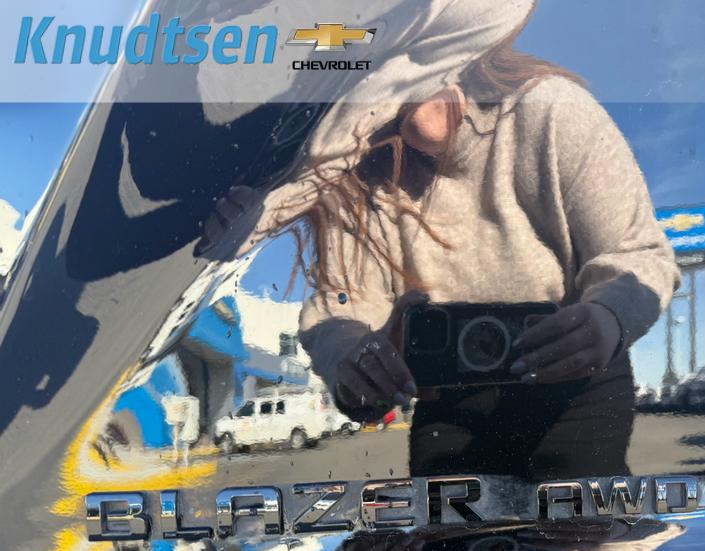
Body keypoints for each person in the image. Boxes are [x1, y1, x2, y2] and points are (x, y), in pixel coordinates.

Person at [206, 2, 678, 479]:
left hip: (575, 383)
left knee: (579, 521)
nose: (409, 78)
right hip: (446, 396)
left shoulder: (552, 110)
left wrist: (607, 317)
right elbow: (342, 308)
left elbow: (636, 253)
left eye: (420, 53)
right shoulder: (360, 184)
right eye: (380, 71)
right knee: (443, 527)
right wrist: (357, 360)